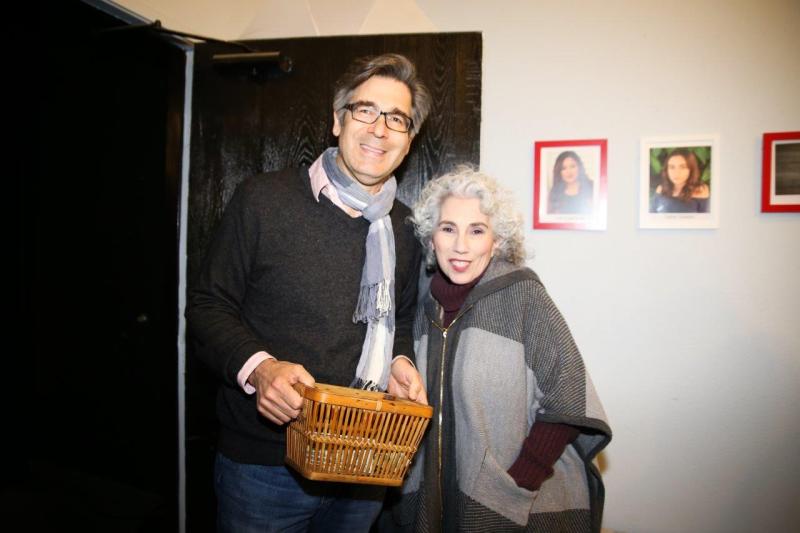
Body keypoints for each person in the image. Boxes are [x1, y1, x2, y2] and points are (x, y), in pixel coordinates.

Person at [185, 53, 431, 532]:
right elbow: (208, 306)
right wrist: (262, 370)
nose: (380, 129)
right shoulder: (262, 199)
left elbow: (397, 321)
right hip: (263, 468)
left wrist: (400, 363)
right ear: (337, 121)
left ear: (409, 140)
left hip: (363, 463)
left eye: (397, 118)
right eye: (365, 110)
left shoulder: (405, 226)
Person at [391, 167, 611, 532]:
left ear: (496, 242)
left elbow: (569, 399)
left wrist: (515, 485)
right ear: (432, 239)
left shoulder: (523, 296)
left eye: (477, 230)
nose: (461, 245)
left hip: (521, 505)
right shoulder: (420, 307)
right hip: (438, 505)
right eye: (448, 228)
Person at [650, 148, 710, 213]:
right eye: (672, 167)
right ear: (666, 170)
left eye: (683, 167)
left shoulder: (700, 190)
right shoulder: (661, 189)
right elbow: (650, 217)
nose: (676, 173)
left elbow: (707, 220)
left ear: (691, 170)